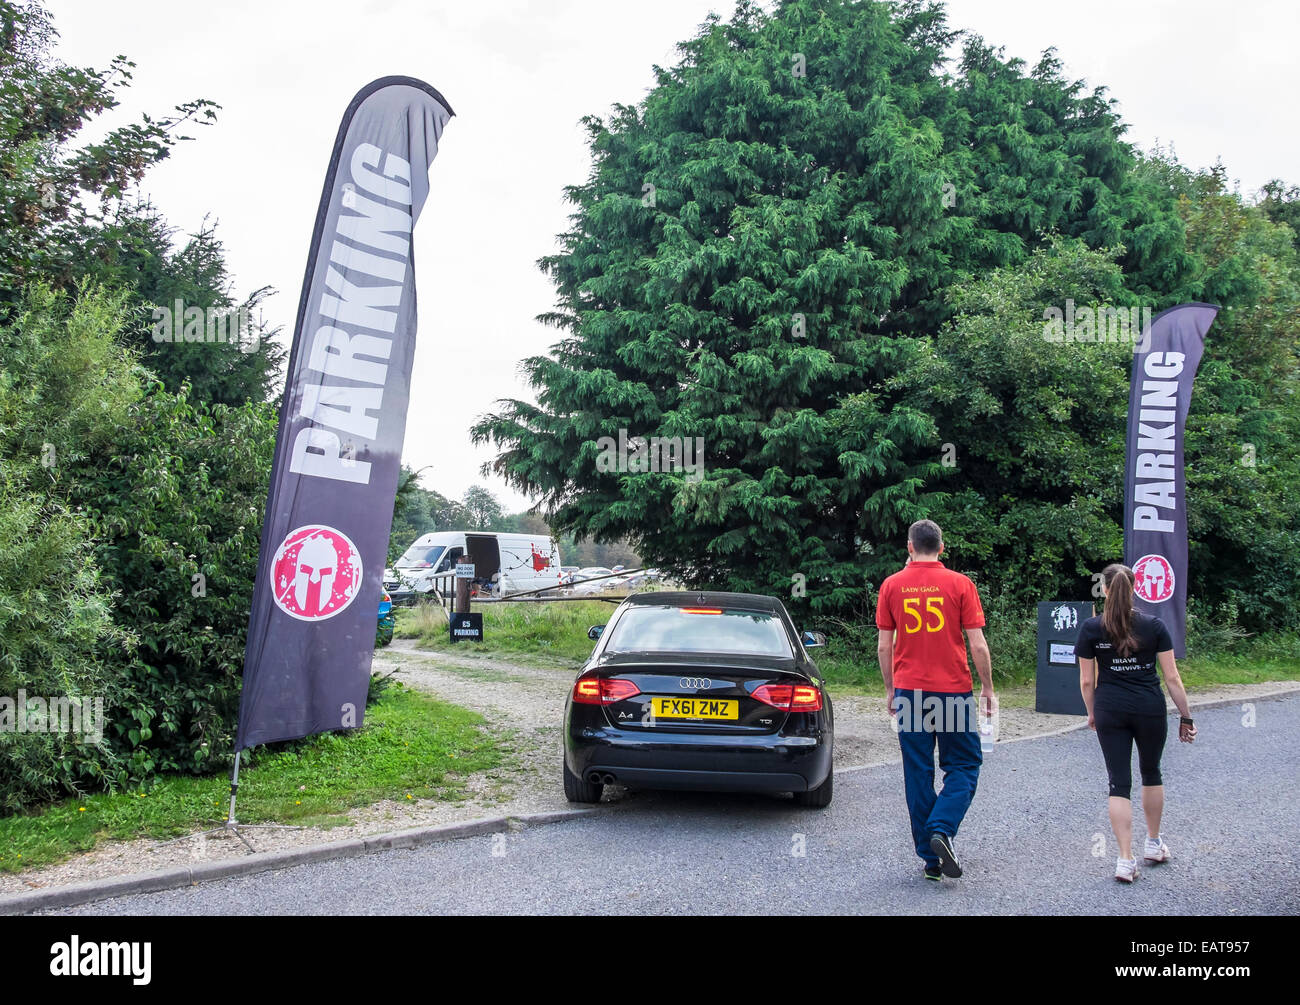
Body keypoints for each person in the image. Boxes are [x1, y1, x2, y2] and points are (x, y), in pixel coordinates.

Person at [876, 519, 994, 881]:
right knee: (964, 765)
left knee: (918, 772)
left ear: (910, 547)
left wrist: (890, 688)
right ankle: (942, 827)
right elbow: (976, 643)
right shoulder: (961, 584)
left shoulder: (892, 585)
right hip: (953, 691)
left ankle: (930, 859)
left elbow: (884, 645)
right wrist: (987, 687)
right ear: (941, 548)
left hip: (910, 693)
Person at [1076, 563, 1197, 883]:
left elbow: (1086, 683)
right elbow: (1172, 677)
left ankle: (1124, 860)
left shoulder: (1090, 629)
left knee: (1119, 782)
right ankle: (1153, 843)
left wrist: (1092, 712)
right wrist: (1186, 716)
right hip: (1149, 708)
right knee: (1151, 772)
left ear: (1103, 589)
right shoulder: (1154, 626)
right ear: (1134, 588)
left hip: (1109, 709)